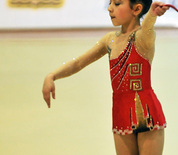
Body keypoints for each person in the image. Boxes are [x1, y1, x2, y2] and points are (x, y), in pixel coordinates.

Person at [42, 0, 169, 154]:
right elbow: (79, 62)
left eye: (117, 3)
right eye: (110, 3)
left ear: (136, 9)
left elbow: (148, 25)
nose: (109, 8)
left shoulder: (143, 38)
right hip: (120, 112)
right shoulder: (109, 40)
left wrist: (152, 14)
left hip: (146, 111)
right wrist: (52, 75)